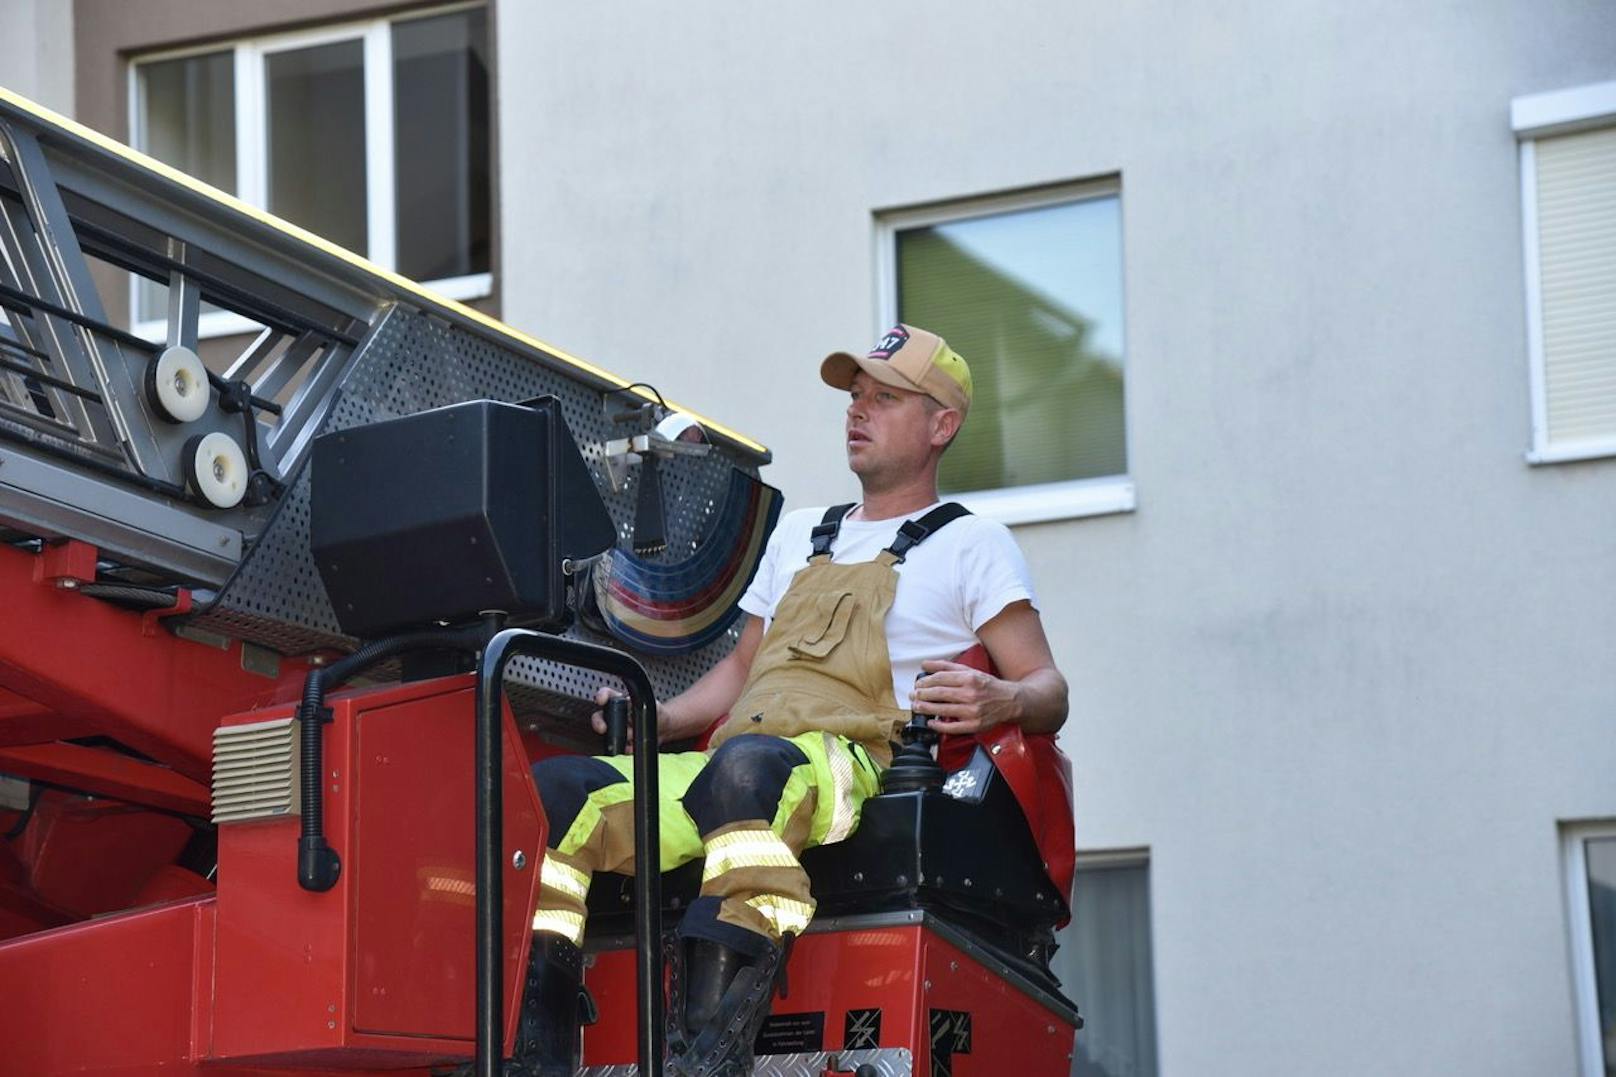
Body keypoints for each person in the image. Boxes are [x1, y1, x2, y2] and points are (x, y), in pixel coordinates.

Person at [515, 324, 1068, 1077]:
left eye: (886, 398)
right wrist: (658, 719)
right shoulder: (801, 532)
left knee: (748, 772)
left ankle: (711, 1055)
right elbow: (742, 671)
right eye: (855, 395)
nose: (858, 411)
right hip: (736, 761)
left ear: (943, 425)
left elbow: (1049, 690)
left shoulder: (974, 545)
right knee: (557, 794)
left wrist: (1001, 696)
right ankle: (537, 1056)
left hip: (848, 764)